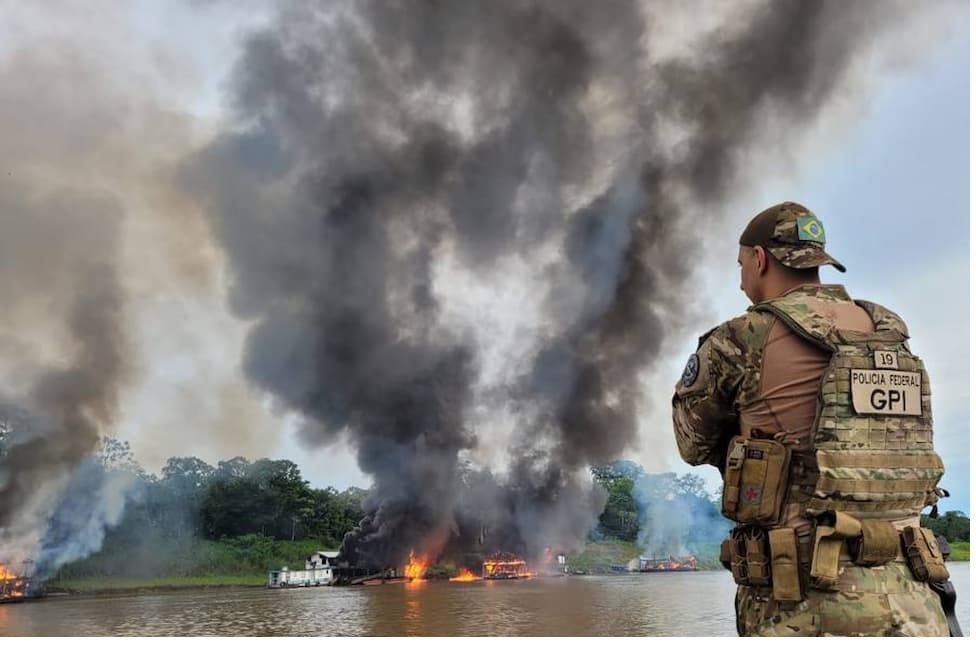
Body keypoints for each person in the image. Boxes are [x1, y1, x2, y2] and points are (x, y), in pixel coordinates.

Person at [672, 201, 952, 636]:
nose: (741, 277)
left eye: (742, 263)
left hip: (804, 608)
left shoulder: (742, 339)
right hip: (916, 606)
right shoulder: (889, 335)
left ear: (761, 259)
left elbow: (692, 444)